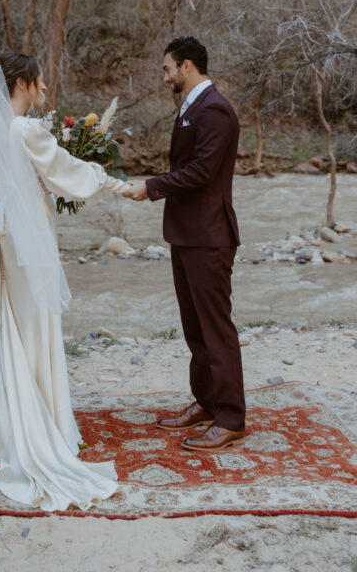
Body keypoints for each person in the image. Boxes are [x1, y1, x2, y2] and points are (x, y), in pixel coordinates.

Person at [0, 53, 128, 510]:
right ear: (20, 83)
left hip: (9, 237)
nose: (42, 92)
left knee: (16, 330)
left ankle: (8, 430)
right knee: (37, 327)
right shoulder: (24, 130)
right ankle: (42, 431)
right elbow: (64, 172)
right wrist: (116, 183)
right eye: (37, 84)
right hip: (30, 239)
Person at [124, 37, 246, 452]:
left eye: (167, 69)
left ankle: (230, 418)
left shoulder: (215, 109)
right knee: (195, 329)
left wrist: (151, 187)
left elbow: (201, 172)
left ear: (187, 66)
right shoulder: (193, 107)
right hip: (187, 234)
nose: (164, 76)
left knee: (216, 330)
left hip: (210, 237)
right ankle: (208, 403)